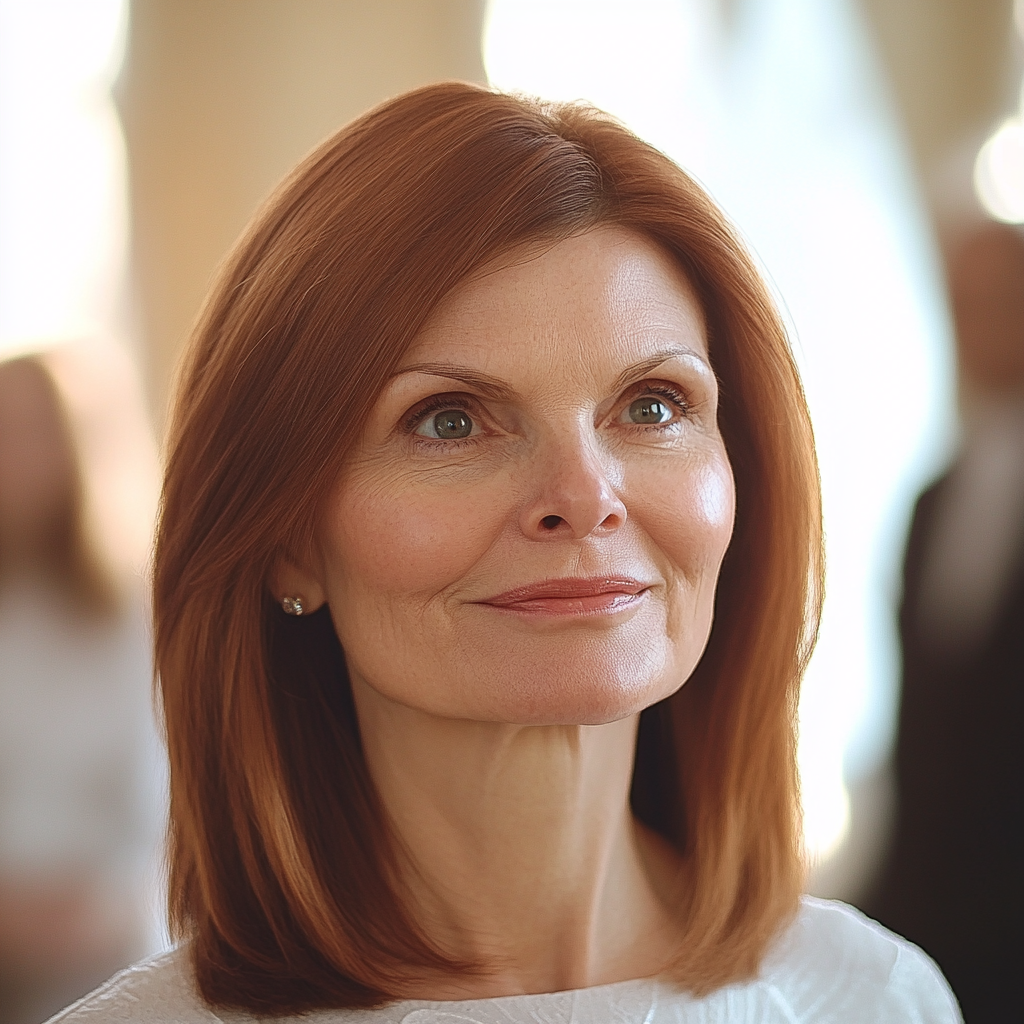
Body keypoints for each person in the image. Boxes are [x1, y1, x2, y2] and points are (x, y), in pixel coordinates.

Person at [51, 83, 960, 1023]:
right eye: (449, 421)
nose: (584, 496)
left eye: (652, 406)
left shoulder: (882, 1000)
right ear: (287, 541)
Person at [865, 221, 1024, 1023]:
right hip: (931, 901)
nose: (976, 325)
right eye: (961, 304)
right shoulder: (934, 500)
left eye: (999, 301)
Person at [0, 348, 163, 1024]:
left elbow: (170, 800)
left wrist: (102, 904)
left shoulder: (141, 615)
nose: (13, 454)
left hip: (109, 944)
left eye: (31, 430)